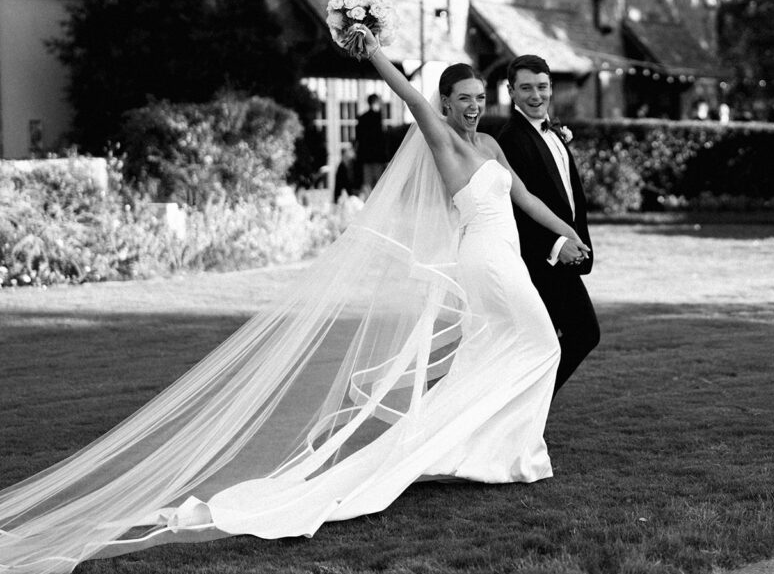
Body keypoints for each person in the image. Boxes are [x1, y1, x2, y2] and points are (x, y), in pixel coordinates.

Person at [0, 32, 587, 573]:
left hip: (506, 255)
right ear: (446, 101)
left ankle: (490, 450)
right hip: (483, 257)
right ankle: (504, 451)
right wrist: (372, 48)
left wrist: (566, 233)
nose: (474, 106)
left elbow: (527, 196)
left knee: (507, 349)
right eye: (463, 98)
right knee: (539, 343)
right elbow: (407, 93)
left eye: (480, 97)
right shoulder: (441, 138)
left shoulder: (488, 142)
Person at [498, 55, 599, 393]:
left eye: (542, 87)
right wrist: (556, 246)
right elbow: (514, 207)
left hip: (565, 258)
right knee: (578, 335)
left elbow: (569, 198)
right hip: (539, 261)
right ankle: (522, 416)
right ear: (511, 91)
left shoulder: (553, 132)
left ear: (551, 88)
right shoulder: (509, 139)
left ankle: (522, 417)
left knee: (555, 342)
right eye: (526, 88)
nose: (536, 95)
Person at [354, 93, 388, 193]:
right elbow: (381, 139)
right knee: (378, 184)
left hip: (366, 157)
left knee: (367, 184)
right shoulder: (378, 117)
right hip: (377, 157)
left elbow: (358, 138)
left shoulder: (362, 118)